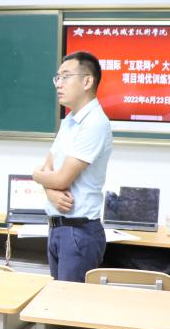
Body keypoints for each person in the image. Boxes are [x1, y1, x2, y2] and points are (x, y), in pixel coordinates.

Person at [32, 51, 112, 283]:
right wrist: (49, 191)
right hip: (58, 227)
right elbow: (49, 167)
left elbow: (59, 178)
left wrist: (35, 176)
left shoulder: (95, 122)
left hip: (78, 232)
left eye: (66, 77)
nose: (59, 84)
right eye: (57, 77)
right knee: (56, 299)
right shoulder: (69, 121)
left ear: (87, 82)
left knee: (69, 303)